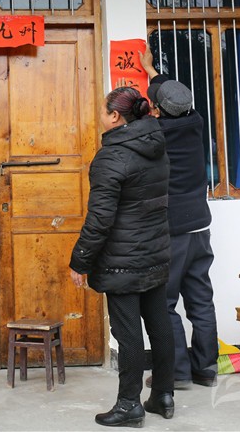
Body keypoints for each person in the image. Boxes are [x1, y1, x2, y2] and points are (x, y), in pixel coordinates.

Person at [69, 86, 176, 427]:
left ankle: (129, 404)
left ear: (115, 116)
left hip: (123, 261)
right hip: (155, 252)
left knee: (128, 334)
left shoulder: (112, 157)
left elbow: (100, 219)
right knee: (159, 325)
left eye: (103, 111)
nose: (100, 116)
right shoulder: (156, 146)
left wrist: (80, 261)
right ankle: (163, 395)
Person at [141, 48, 219, 390]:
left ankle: (177, 372)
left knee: (164, 302)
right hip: (200, 226)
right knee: (201, 299)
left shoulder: (154, 134)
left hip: (172, 231)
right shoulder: (195, 120)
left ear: (157, 111)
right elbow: (171, 93)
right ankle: (206, 369)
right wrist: (150, 70)